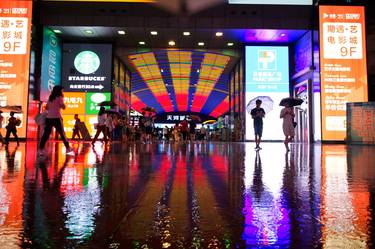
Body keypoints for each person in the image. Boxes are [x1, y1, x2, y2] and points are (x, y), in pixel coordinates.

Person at [38, 86, 73, 155]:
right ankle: (68, 148)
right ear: (59, 91)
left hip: (49, 118)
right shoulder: (60, 98)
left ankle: (40, 149)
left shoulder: (50, 98)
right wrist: (62, 105)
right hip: (57, 118)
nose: (62, 91)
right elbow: (63, 107)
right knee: (62, 134)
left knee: (46, 134)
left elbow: (47, 107)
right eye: (62, 90)